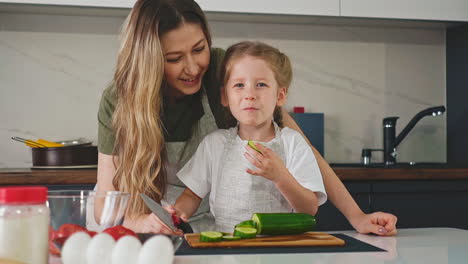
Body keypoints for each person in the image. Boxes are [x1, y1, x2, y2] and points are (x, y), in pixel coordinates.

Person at [96, 0, 397, 236]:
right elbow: (104, 205)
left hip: (216, 227)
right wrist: (140, 221)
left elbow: (303, 149)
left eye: (199, 49)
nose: (193, 67)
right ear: (148, 60)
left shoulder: (223, 73)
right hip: (153, 226)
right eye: (174, 59)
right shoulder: (119, 100)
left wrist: (357, 217)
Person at [171, 41, 327, 232]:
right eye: (239, 85)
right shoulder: (214, 144)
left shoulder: (293, 143)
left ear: (280, 95)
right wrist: (175, 215)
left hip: (281, 250)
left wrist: (280, 177)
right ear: (225, 97)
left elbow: (309, 209)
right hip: (225, 251)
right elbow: (192, 196)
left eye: (261, 84)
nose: (250, 94)